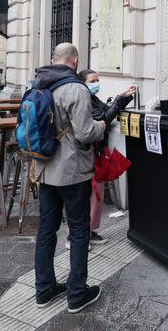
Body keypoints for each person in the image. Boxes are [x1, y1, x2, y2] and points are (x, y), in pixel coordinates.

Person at [34, 43, 106, 313]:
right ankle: (77, 294)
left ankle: (44, 289)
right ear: (75, 61)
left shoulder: (39, 84)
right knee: (78, 231)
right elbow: (86, 134)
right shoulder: (76, 88)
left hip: (43, 168)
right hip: (72, 171)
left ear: (54, 60)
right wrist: (100, 125)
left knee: (46, 230)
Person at [65, 69, 136, 247]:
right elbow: (103, 119)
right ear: (83, 83)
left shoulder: (94, 99)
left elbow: (107, 111)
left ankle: (90, 231)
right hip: (87, 154)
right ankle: (73, 237)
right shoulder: (84, 100)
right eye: (93, 80)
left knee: (97, 196)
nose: (97, 83)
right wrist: (120, 100)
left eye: (98, 79)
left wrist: (124, 97)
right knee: (87, 196)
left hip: (97, 153)